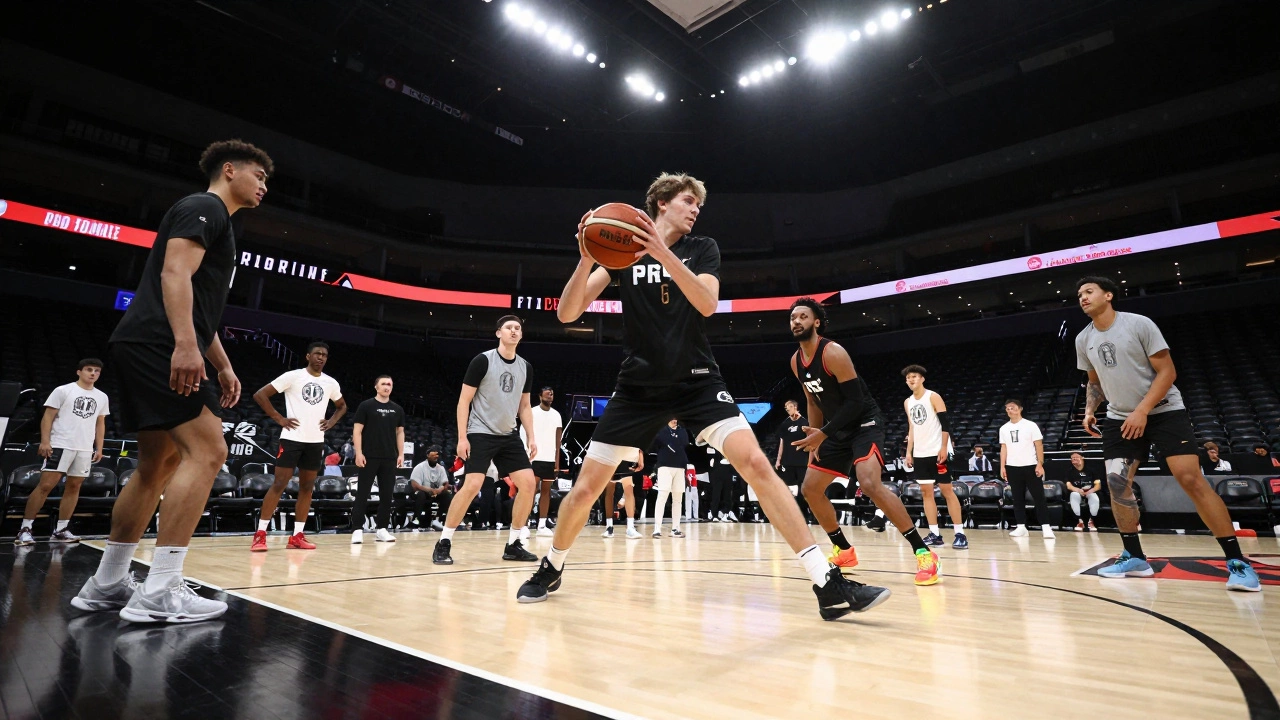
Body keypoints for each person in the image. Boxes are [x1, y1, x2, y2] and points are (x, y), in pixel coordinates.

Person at [518, 174, 889, 619]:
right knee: (584, 491)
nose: (696, 210)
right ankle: (553, 565)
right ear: (660, 202)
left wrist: (661, 252)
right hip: (638, 388)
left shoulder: (703, 249)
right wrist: (585, 259)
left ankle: (826, 583)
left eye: (698, 205)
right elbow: (566, 313)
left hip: (697, 382)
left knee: (755, 463)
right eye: (688, 201)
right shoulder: (623, 253)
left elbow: (707, 302)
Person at [71, 139, 271, 623]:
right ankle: (161, 588)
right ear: (229, 171)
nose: (264, 187)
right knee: (208, 452)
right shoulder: (205, 207)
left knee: (156, 465)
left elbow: (201, 309)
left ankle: (108, 582)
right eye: (259, 177)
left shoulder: (218, 222)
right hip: (160, 343)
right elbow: (174, 273)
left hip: (151, 341)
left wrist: (221, 363)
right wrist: (185, 345)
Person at [1076, 276, 1259, 591]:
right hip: (1120, 416)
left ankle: (1238, 563)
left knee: (1190, 479)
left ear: (1108, 295)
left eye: (1089, 291)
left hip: (1163, 411)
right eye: (1079, 294)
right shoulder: (1083, 339)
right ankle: (1135, 557)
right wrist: (1091, 410)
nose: (1082, 297)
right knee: (1117, 483)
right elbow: (1094, 381)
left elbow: (1168, 372)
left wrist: (1142, 411)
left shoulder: (1138, 324)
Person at [789, 300, 941, 585]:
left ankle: (923, 551)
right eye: (793, 317)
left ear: (817, 322)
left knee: (869, 483)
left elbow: (856, 402)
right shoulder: (796, 360)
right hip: (834, 430)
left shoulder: (833, 352)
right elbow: (812, 399)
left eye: (803, 316)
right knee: (810, 488)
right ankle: (844, 550)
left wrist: (824, 432)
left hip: (864, 423)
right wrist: (816, 434)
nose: (796, 321)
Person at [434, 316, 539, 565]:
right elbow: (463, 401)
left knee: (527, 484)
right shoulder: (482, 360)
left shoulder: (526, 367)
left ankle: (514, 544)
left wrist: (531, 436)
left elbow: (524, 406)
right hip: (480, 431)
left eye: (518, 328)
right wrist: (462, 437)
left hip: (508, 434)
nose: (514, 331)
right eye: (509, 328)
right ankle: (444, 541)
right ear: (498, 333)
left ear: (521, 335)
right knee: (472, 484)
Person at [250, 341, 346, 552]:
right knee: (279, 484)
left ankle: (297, 536)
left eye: (324, 355)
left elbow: (341, 406)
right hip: (292, 438)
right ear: (308, 356)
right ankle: (260, 534)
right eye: (317, 354)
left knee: (307, 488)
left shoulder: (330, 383)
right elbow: (260, 395)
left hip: (315, 441)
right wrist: (279, 418)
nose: (321, 357)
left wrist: (330, 422)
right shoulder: (292, 376)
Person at [15, 359, 111, 546]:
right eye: (89, 370)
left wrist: (99, 447)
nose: (93, 373)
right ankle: (25, 529)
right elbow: (48, 417)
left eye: (97, 371)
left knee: (74, 487)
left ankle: (61, 529)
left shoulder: (102, 396)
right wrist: (45, 441)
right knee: (46, 486)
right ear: (79, 371)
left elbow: (101, 423)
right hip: (60, 444)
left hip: (83, 448)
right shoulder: (63, 390)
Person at [902, 365, 968, 550]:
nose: (911, 380)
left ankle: (960, 533)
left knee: (947, 491)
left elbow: (946, 424)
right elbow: (912, 428)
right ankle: (935, 534)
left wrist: (944, 447)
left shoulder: (933, 396)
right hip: (921, 453)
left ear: (922, 378)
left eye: (914, 376)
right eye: (908, 378)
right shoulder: (908, 402)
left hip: (938, 450)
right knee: (926, 493)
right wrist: (909, 452)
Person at [350, 375, 405, 544]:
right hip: (369, 456)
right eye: (383, 384)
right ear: (376, 387)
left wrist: (401, 454)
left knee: (387, 495)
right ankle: (357, 529)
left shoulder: (397, 409)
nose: (387, 386)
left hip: (389, 457)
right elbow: (357, 430)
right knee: (363, 493)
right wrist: (358, 453)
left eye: (389, 384)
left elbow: (400, 432)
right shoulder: (366, 406)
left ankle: (382, 529)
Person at [998, 399, 1052, 539]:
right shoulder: (1003, 428)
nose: (1010, 410)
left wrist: (1040, 464)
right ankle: (1021, 526)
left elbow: (1039, 445)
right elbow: (1003, 448)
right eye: (1007, 408)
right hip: (1012, 467)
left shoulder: (1030, 425)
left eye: (1013, 407)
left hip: (1030, 465)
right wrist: (1002, 466)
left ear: (1020, 408)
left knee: (1038, 497)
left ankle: (1046, 527)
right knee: (1017, 498)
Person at [529, 386, 563, 537]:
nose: (550, 396)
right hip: (534, 458)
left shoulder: (556, 415)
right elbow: (525, 433)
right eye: (547, 394)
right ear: (540, 396)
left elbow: (558, 440)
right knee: (530, 491)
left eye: (552, 394)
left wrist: (557, 461)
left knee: (546, 492)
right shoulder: (531, 412)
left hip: (549, 459)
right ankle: (524, 525)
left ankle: (542, 525)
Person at [774, 399, 811, 520]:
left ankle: (803, 514)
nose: (787, 408)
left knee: (802, 489)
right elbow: (782, 442)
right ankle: (788, 514)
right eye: (785, 407)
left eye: (788, 406)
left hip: (802, 461)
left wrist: (810, 460)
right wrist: (778, 460)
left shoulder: (804, 422)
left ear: (795, 406)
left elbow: (810, 442)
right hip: (787, 461)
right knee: (788, 488)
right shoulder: (785, 424)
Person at [653, 419, 689, 538]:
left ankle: (675, 528)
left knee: (678, 498)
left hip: (680, 467)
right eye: (672, 418)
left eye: (676, 418)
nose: (674, 420)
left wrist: (671, 442)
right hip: (664, 466)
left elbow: (684, 442)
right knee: (662, 496)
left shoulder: (682, 430)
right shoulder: (661, 430)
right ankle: (657, 529)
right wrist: (672, 442)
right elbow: (660, 441)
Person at [409, 447, 451, 530]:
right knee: (420, 494)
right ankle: (416, 518)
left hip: (436, 493)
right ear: (427, 455)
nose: (435, 457)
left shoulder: (441, 468)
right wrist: (430, 490)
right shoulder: (420, 467)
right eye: (433, 455)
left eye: (437, 455)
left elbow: (446, 484)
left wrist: (439, 489)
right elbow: (415, 485)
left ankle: (438, 519)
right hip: (423, 492)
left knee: (447, 494)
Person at [600, 461, 642, 538]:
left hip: (625, 457)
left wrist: (640, 458)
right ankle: (609, 527)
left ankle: (630, 527)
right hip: (611, 457)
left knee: (629, 489)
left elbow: (639, 448)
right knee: (609, 491)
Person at [1064, 452, 1101, 531]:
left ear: (1082, 458)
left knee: (1094, 497)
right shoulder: (1069, 471)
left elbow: (1098, 485)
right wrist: (1077, 490)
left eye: (1076, 457)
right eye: (1072, 458)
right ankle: (1080, 521)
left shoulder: (1091, 470)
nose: (1074, 459)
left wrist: (1091, 491)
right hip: (1077, 491)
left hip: (1090, 491)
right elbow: (1068, 485)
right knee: (1074, 495)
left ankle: (1091, 521)